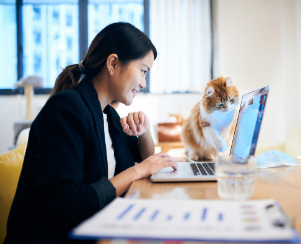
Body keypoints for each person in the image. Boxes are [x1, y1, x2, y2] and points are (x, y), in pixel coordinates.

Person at [5, 22, 178, 244]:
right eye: (143, 71)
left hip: (99, 228)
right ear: (113, 63)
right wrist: (138, 171)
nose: (144, 83)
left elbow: (144, 156)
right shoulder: (65, 109)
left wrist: (144, 132)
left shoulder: (108, 114)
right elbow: (72, 204)